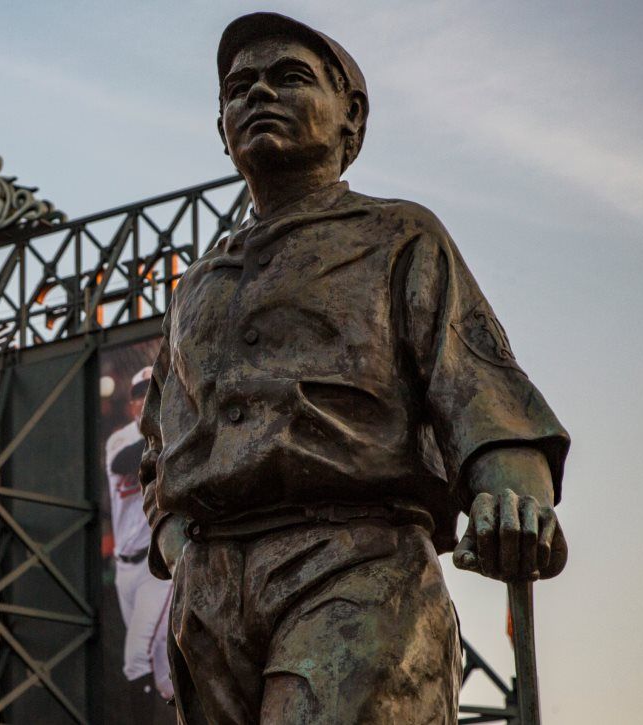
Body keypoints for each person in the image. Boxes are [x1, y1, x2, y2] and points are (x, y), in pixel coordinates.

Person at [138, 12, 571, 724]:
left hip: (353, 562)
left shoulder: (398, 235)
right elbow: (158, 443)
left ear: (351, 120)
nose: (258, 95)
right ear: (221, 131)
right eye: (238, 87)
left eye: (288, 77)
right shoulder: (196, 285)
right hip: (209, 596)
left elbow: (480, 385)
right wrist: (176, 541)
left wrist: (511, 493)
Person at [103, 366, 174, 720]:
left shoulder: (175, 432)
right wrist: (160, 431)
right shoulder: (120, 439)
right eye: (140, 395)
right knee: (162, 672)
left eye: (153, 392)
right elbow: (123, 462)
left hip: (154, 567)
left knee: (135, 658)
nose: (145, 400)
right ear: (132, 404)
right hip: (123, 571)